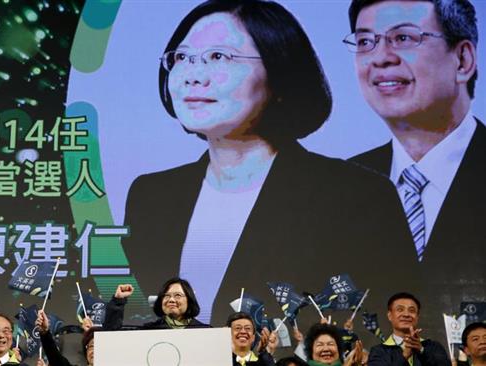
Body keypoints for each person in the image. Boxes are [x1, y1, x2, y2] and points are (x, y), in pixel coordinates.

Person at [121, 0, 418, 326]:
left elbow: (390, 316)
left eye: (218, 57)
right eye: (182, 57)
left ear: (279, 75)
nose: (193, 76)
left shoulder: (358, 194)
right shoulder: (151, 194)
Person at [345, 0, 485, 340]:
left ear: (463, 59)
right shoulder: (343, 184)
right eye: (365, 41)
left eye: (403, 38)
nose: (380, 57)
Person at [367, 292, 450, 366]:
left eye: (412, 310)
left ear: (417, 317)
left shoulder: (433, 347)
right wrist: (404, 355)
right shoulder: (378, 351)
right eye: (400, 309)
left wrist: (421, 350)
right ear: (389, 316)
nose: (406, 314)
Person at [103, 278, 209, 330]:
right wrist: (118, 301)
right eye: (166, 296)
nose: (171, 300)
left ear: (189, 300)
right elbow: (112, 335)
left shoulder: (205, 332)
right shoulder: (149, 330)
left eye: (177, 295)